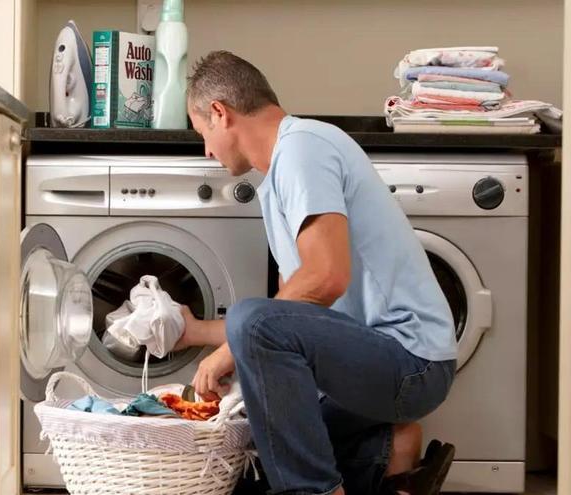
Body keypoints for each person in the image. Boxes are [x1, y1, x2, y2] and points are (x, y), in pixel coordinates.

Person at [174, 51, 458, 495]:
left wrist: (229, 351)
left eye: (202, 134)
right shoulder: (279, 175)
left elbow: (326, 279)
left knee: (255, 334)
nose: (207, 150)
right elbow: (290, 312)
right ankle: (397, 457)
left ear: (219, 113)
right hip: (372, 363)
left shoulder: (303, 148)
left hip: (411, 362)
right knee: (252, 450)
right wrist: (196, 333)